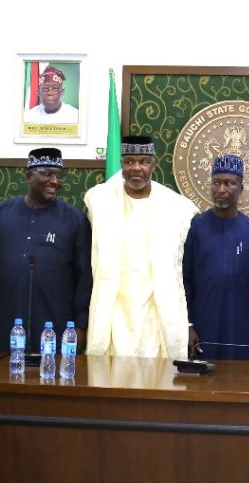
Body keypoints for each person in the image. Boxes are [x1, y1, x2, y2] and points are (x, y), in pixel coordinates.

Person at [83, 136, 198, 358]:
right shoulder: (99, 200)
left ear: (153, 165)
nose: (136, 168)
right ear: (122, 165)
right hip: (114, 306)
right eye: (129, 162)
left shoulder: (176, 206)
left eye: (144, 162)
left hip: (156, 308)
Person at [0, 147, 92, 352]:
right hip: (5, 319)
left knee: (53, 376)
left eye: (58, 175)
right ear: (29, 176)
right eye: (47, 174)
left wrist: (81, 325)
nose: (55, 181)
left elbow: (84, 277)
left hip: (56, 321)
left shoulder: (74, 220)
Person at [184, 154, 249, 361]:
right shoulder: (196, 227)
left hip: (244, 325)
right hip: (204, 323)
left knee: (241, 384)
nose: (221, 190)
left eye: (229, 183)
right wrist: (188, 325)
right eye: (216, 183)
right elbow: (185, 281)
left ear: (241, 188)